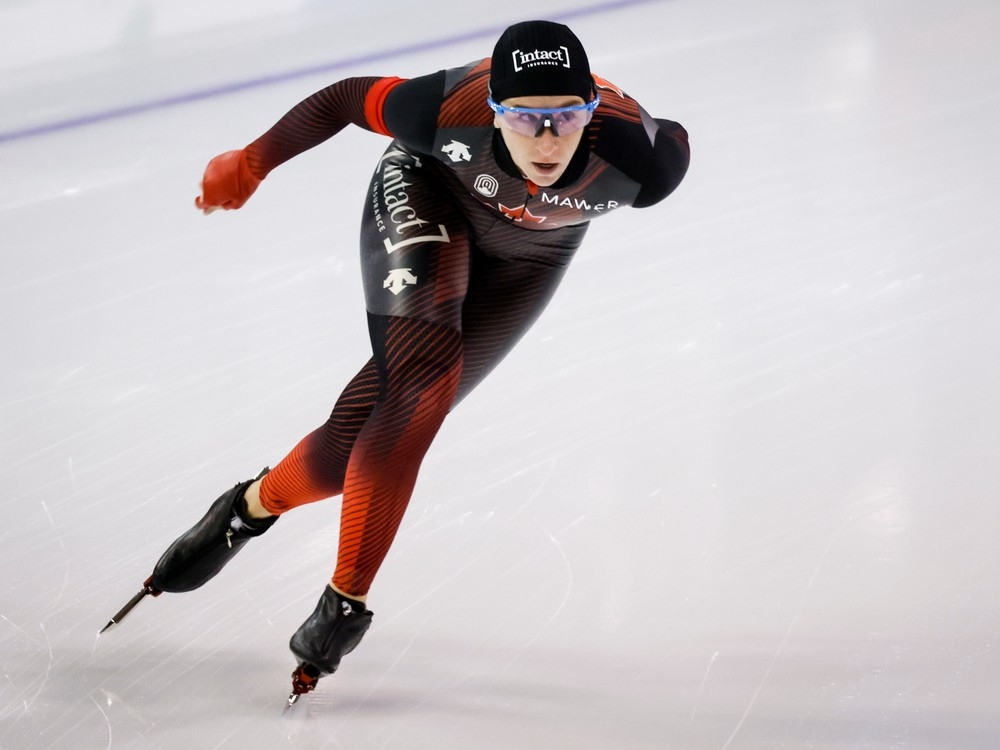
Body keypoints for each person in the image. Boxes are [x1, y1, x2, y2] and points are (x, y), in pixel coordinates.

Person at [145, 19, 689, 697]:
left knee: (355, 452)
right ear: (493, 110)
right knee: (421, 387)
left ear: (591, 114)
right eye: (523, 119)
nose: (546, 140)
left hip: (535, 255)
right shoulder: (441, 109)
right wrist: (251, 162)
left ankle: (247, 509)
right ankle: (343, 603)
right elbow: (344, 98)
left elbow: (673, 131)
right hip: (430, 192)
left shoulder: (644, 161)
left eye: (566, 118)